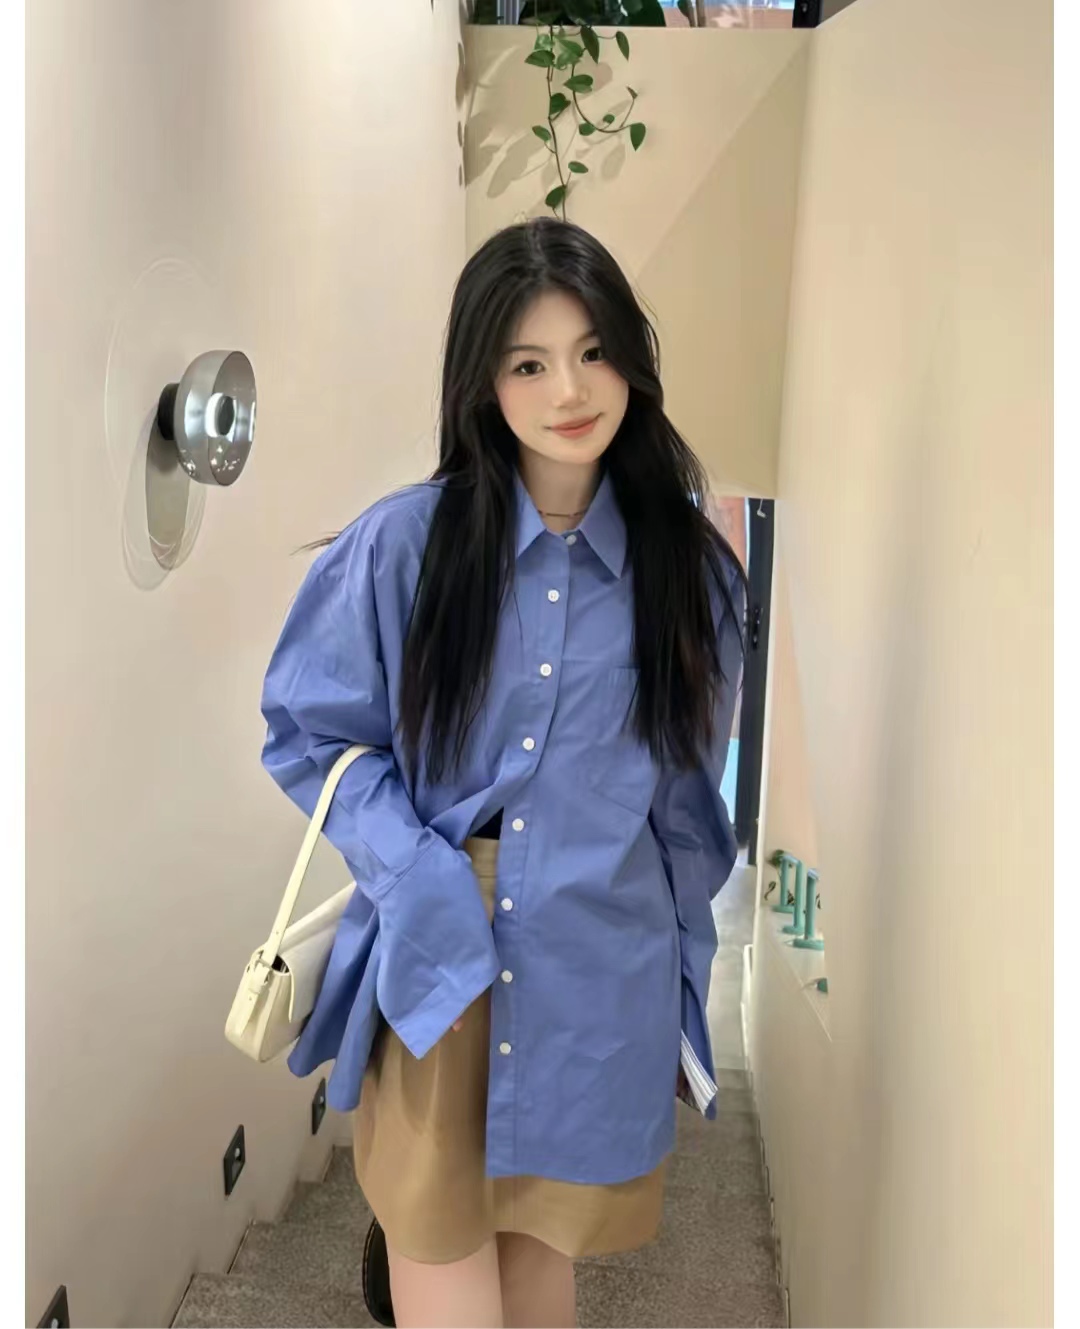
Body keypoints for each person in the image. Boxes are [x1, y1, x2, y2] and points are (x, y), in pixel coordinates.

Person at [259, 217, 747, 1329]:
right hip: (445, 957)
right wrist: (416, 874)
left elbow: (688, 814)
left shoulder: (693, 575)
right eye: (529, 363)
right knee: (442, 1254)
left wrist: (683, 991)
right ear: (484, 381)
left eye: (593, 351)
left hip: (602, 964)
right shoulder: (404, 548)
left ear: (632, 357)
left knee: (540, 1273)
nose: (569, 390)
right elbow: (310, 732)